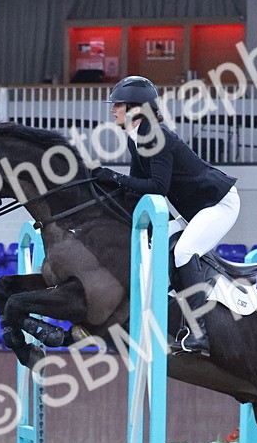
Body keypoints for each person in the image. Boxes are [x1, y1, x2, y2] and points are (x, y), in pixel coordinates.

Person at [92, 76, 240, 356]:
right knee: (155, 248)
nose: (113, 110)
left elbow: (158, 187)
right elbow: (138, 189)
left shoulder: (156, 137)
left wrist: (113, 176)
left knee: (184, 251)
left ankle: (201, 334)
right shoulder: (136, 138)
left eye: (118, 105)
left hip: (219, 204)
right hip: (196, 209)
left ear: (136, 109)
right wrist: (103, 189)